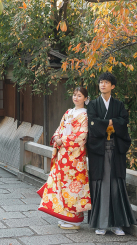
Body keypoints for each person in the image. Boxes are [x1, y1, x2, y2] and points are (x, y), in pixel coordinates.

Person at [87, 72, 136, 235]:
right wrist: (112, 123)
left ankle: (117, 224)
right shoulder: (93, 104)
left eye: (106, 82)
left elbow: (124, 122)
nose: (103, 85)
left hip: (115, 150)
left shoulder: (119, 105)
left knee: (116, 185)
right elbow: (92, 124)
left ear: (112, 86)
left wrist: (108, 123)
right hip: (99, 151)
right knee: (100, 185)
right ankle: (100, 224)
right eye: (101, 82)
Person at [37, 87, 93, 230]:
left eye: (79, 95)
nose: (76, 98)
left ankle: (75, 219)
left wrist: (64, 140)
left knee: (74, 187)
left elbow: (82, 135)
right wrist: (56, 137)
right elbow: (59, 128)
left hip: (75, 158)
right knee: (62, 185)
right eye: (74, 95)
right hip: (63, 155)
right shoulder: (68, 112)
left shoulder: (86, 115)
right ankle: (65, 215)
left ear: (86, 99)